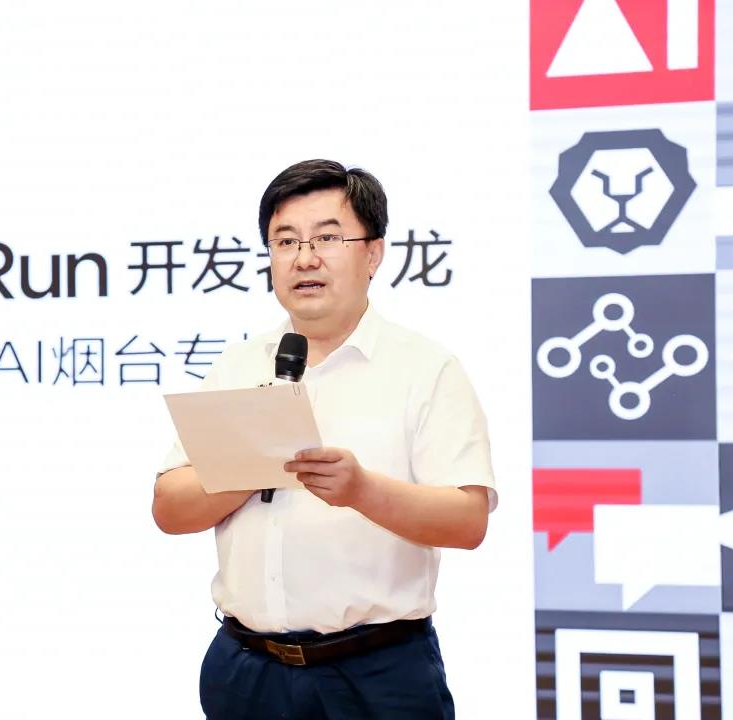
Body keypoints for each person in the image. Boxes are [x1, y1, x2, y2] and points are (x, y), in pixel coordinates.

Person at [152, 159, 497, 720]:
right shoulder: (238, 365)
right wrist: (250, 464)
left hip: (376, 675)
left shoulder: (424, 368)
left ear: (373, 254)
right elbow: (169, 508)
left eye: (327, 238)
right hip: (246, 671)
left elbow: (468, 521)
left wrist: (361, 490)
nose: (304, 257)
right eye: (285, 241)